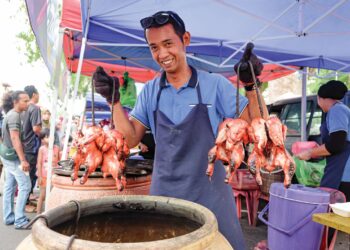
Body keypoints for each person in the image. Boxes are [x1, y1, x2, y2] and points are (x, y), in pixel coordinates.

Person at [93, 11, 268, 249]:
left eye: (168, 44)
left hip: (211, 196)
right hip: (165, 197)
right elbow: (131, 138)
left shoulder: (213, 84)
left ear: (185, 39)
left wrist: (250, 84)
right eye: (154, 47)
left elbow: (258, 125)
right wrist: (113, 102)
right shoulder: (151, 91)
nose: (162, 54)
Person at [296, 80, 350, 202]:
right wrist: (319, 149)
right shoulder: (342, 109)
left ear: (321, 98)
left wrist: (310, 153)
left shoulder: (337, 111)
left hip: (344, 173)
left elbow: (336, 144)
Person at [0, 91, 31, 229]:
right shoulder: (14, 116)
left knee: (9, 186)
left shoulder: (12, 114)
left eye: (28, 100)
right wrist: (23, 160)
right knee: (25, 185)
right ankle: (20, 220)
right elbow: (14, 138)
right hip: (12, 157)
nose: (28, 103)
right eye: (25, 101)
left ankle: (9, 217)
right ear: (15, 102)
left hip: (6, 154)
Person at [21, 85, 42, 200]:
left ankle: (26, 197)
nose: (39, 96)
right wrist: (44, 135)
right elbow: (36, 129)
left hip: (23, 146)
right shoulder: (34, 108)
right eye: (38, 93)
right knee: (30, 173)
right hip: (32, 146)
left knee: (24, 174)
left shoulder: (22, 108)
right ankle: (27, 200)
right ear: (34, 94)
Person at [36, 128, 61, 214]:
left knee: (52, 194)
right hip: (44, 175)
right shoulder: (42, 149)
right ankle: (38, 213)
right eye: (48, 137)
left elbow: (59, 161)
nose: (51, 138)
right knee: (42, 195)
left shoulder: (57, 148)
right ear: (42, 140)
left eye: (52, 136)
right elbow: (39, 163)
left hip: (54, 175)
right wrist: (39, 176)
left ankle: (50, 212)